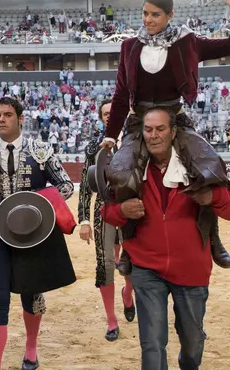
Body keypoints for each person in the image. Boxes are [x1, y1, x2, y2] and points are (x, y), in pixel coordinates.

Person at [102, 0, 230, 271]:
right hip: (140, 121)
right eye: (145, 13)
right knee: (122, 176)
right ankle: (129, 245)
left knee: (207, 169)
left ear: (170, 15)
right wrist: (110, 134)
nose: (148, 19)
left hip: (175, 118)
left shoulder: (187, 42)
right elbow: (120, 95)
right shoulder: (129, 46)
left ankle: (213, 237)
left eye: (155, 14)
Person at [102, 107, 230, 370]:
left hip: (191, 270)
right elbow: (107, 212)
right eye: (148, 130)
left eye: (160, 129)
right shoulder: (128, 169)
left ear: (174, 132)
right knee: (152, 343)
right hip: (147, 267)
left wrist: (212, 196)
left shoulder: (197, 164)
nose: (154, 135)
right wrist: (122, 210)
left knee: (193, 344)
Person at [0, 97, 76, 370]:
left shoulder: (40, 151)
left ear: (20, 118)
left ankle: (31, 349)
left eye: (7, 114)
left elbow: (66, 186)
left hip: (32, 235)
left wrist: (37, 206)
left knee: (32, 294)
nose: (1, 119)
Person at [77, 99, 135, 341]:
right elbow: (85, 185)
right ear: (101, 119)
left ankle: (128, 293)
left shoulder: (135, 141)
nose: (109, 116)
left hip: (133, 210)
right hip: (104, 209)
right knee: (105, 264)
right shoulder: (95, 147)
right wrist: (84, 220)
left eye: (113, 112)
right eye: (105, 114)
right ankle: (112, 320)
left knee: (134, 261)